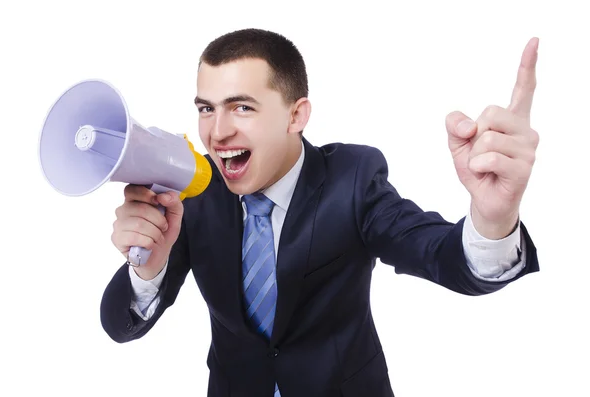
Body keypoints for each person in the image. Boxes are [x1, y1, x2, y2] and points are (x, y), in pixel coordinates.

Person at [101, 28, 540, 397]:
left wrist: (494, 217)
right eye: (206, 109)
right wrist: (146, 270)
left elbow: (441, 255)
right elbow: (121, 328)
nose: (218, 132)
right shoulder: (191, 196)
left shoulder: (352, 179)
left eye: (242, 107)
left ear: (297, 115)